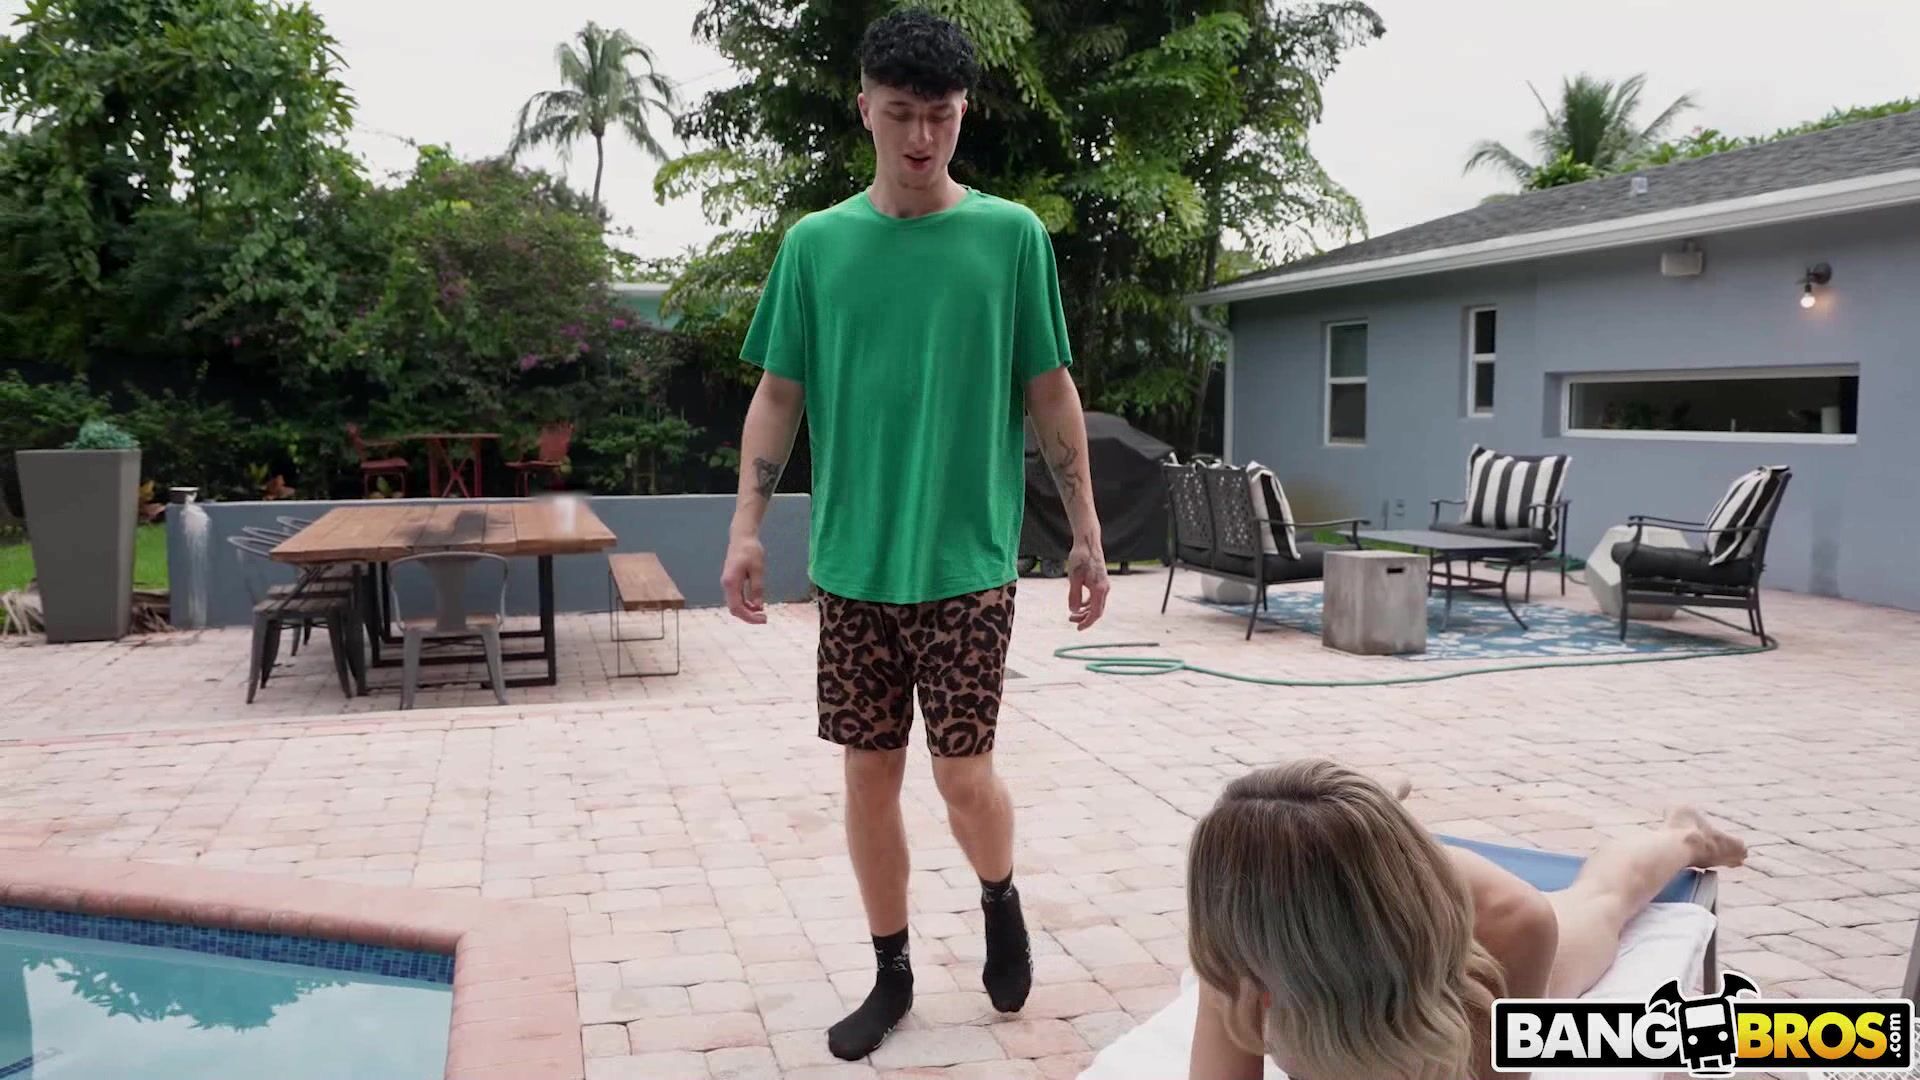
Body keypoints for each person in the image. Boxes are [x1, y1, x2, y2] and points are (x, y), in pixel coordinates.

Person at [718, 7, 1110, 1063]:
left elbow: (1051, 390)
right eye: (901, 114)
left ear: (963, 112)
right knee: (868, 775)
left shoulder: (1010, 238)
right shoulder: (816, 246)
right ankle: (890, 970)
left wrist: (1085, 532)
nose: (922, 137)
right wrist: (747, 528)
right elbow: (778, 396)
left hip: (968, 561)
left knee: (963, 776)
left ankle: (998, 894)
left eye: (940, 115)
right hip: (854, 566)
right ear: (866, 110)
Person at [1184, 759, 1748, 1080]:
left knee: (1601, 900)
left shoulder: (1509, 924)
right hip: (1357, 903)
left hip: (1451, 950)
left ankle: (1685, 834)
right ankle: (1374, 817)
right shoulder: (1243, 930)